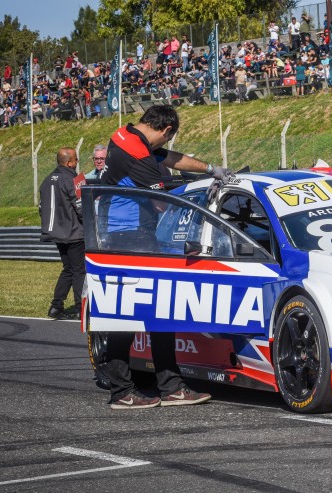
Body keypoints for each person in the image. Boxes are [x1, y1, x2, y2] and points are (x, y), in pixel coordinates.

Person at [101, 105, 233, 409]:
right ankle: (122, 391)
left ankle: (170, 386)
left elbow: (171, 159)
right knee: (129, 316)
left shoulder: (130, 137)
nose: (165, 146)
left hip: (131, 235)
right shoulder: (136, 152)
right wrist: (204, 188)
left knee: (160, 311)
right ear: (167, 131)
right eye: (168, 139)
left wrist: (212, 169)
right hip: (128, 237)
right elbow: (166, 191)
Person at [39, 147, 85, 320]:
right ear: (68, 162)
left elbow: (41, 208)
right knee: (79, 271)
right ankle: (81, 309)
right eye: (76, 159)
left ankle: (56, 307)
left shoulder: (46, 180)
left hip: (57, 233)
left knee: (68, 269)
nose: (77, 162)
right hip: (74, 233)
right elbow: (81, 207)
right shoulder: (73, 178)